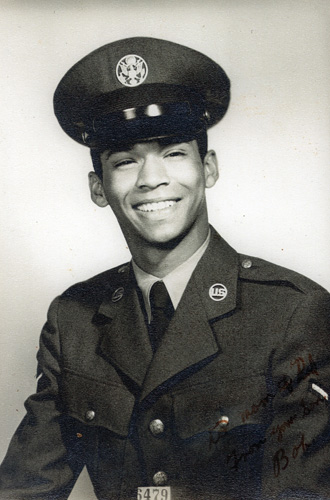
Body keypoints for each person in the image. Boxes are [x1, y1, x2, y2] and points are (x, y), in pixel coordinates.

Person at [0, 37, 329, 500]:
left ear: (208, 168)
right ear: (98, 188)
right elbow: (25, 488)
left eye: (174, 153)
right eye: (125, 161)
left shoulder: (293, 313)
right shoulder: (72, 320)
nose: (152, 179)